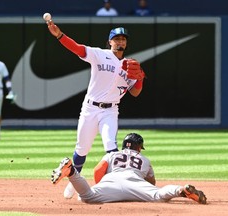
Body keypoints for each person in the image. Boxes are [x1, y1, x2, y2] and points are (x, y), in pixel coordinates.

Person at [45, 17, 146, 199]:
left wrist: (139, 78)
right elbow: (77, 48)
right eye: (116, 39)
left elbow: (136, 92)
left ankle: (112, 187)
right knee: (82, 149)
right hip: (90, 109)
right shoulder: (99, 54)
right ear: (110, 42)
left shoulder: (130, 65)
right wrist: (59, 35)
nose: (120, 41)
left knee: (111, 147)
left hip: (110, 111)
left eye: (123, 39)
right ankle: (74, 181)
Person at [51, 132, 207, 204]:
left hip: (111, 181)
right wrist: (142, 189)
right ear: (139, 148)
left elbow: (98, 170)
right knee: (158, 195)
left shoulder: (112, 154)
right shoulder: (145, 160)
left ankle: (71, 172)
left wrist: (102, 186)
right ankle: (181, 190)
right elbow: (151, 182)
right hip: (135, 183)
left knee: (88, 197)